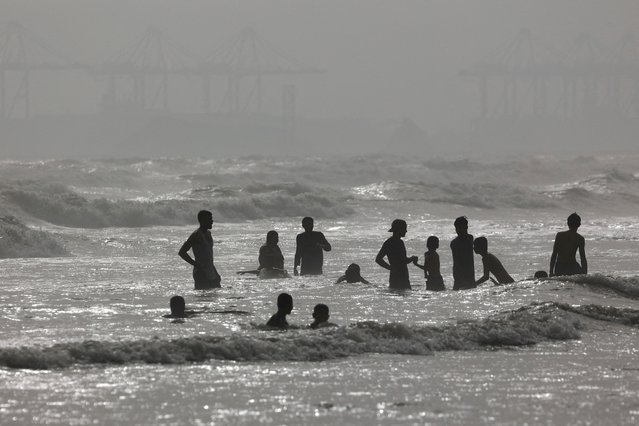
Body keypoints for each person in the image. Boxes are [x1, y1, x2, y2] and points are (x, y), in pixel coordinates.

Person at [179, 210, 221, 289]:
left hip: (211, 272)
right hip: (201, 273)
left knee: (214, 298)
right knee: (203, 299)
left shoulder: (208, 233)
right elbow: (182, 252)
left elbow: (209, 256)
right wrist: (196, 264)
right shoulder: (196, 235)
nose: (212, 221)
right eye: (210, 219)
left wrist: (215, 272)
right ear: (203, 220)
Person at [376, 219, 418, 290]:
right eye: (404, 229)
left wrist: (391, 268)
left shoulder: (391, 242)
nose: (406, 231)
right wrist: (412, 258)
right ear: (399, 229)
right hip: (400, 276)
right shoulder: (395, 243)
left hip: (397, 275)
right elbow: (378, 259)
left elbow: (402, 260)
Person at [549, 212, 588, 277]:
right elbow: (582, 257)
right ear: (579, 224)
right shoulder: (579, 238)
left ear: (567, 223)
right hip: (572, 267)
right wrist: (585, 274)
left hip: (560, 267)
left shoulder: (559, 235)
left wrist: (551, 271)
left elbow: (554, 254)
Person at [450, 216, 476, 290]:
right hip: (459, 275)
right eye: (456, 228)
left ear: (466, 227)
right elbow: (456, 262)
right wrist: (458, 278)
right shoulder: (455, 243)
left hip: (470, 274)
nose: (458, 230)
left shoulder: (470, 238)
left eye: (460, 228)